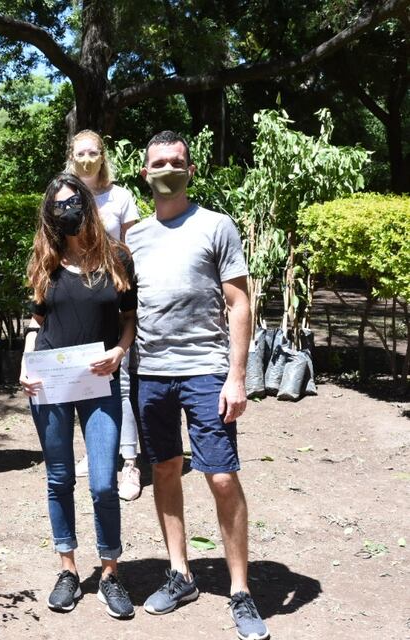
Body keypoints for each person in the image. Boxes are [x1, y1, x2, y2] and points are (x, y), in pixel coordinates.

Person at [129, 131, 268, 640]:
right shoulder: (135, 236)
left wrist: (237, 377)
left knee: (222, 476)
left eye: (176, 162)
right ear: (145, 173)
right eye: (158, 162)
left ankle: (240, 590)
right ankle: (180, 572)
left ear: (190, 170)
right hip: (151, 372)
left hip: (206, 372)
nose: (168, 169)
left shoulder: (216, 226)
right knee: (164, 469)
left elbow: (239, 304)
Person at [20, 172, 137, 618]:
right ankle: (67, 567)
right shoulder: (45, 261)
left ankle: (110, 572)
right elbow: (36, 322)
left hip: (100, 382)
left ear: (88, 205)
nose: (66, 211)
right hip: (50, 382)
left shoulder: (117, 258)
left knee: (105, 482)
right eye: (57, 206)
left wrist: (119, 352)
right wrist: (26, 363)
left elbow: (129, 319)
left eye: (74, 202)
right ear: (49, 216)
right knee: (59, 479)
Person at [66, 130, 143, 500]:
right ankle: (99, 454)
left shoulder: (121, 197)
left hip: (112, 301)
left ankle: (130, 463)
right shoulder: (64, 193)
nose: (86, 159)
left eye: (93, 152)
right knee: (83, 380)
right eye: (80, 153)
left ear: (103, 155)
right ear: (71, 155)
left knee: (121, 382)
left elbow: (134, 249)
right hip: (76, 304)